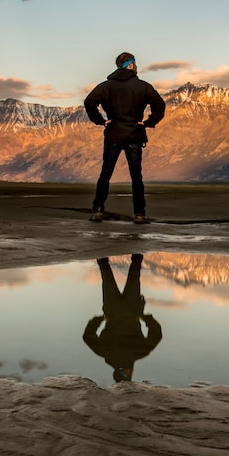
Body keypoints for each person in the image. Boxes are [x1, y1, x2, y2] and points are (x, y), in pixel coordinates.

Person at [83, 52, 166, 224]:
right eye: (135, 62)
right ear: (130, 65)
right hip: (135, 134)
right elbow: (159, 104)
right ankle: (139, 214)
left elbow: (89, 102)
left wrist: (101, 121)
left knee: (105, 174)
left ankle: (98, 210)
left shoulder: (106, 86)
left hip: (113, 133)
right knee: (136, 176)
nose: (136, 65)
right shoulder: (143, 86)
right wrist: (149, 122)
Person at [83, 254, 162, 383]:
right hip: (112, 309)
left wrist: (145, 317)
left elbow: (157, 334)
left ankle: (136, 244)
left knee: (134, 273)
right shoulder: (105, 353)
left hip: (132, 310)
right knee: (106, 275)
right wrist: (100, 319)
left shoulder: (140, 353)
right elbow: (88, 337)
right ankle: (102, 248)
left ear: (127, 372)